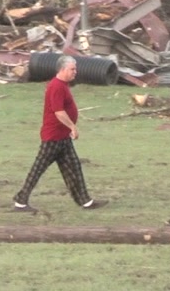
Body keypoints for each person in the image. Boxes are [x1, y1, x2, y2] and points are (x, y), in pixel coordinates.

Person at [13, 55, 106, 211]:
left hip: (62, 138)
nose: (75, 72)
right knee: (38, 169)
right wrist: (73, 127)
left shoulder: (63, 85)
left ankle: (86, 201)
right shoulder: (56, 86)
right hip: (53, 137)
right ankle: (20, 201)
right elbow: (59, 112)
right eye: (72, 69)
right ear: (63, 69)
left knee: (74, 168)